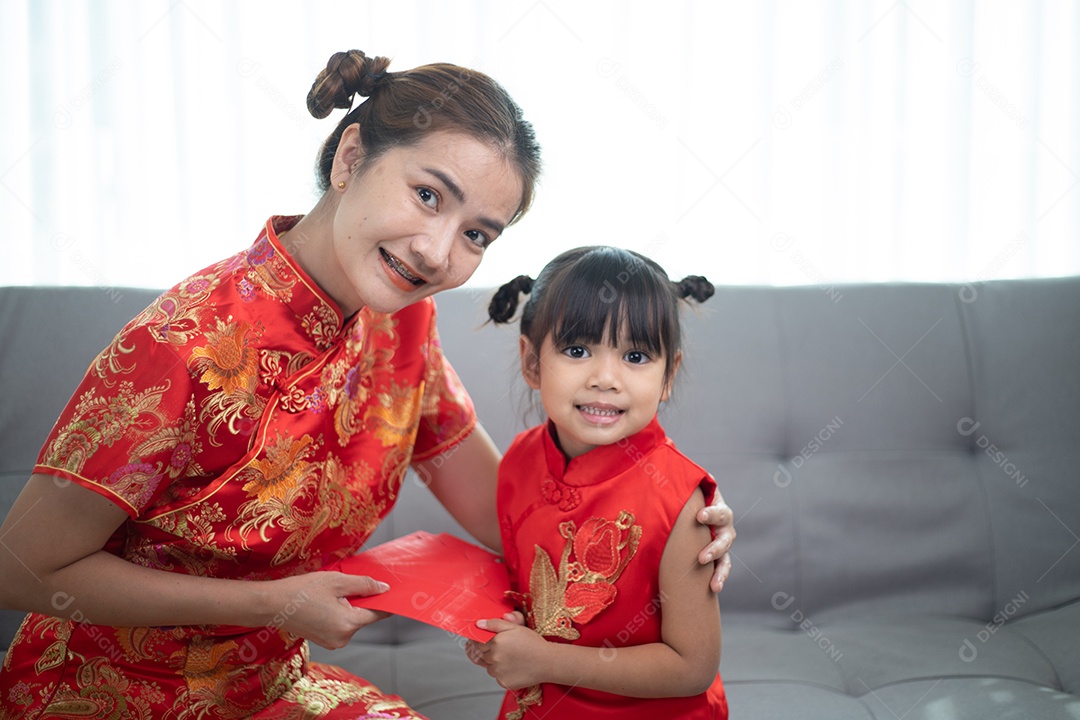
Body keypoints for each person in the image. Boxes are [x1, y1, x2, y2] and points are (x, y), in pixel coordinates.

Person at [0, 51, 735, 719]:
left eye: (478, 234)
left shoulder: (401, 324)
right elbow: (20, 567)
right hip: (107, 694)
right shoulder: (183, 344)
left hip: (273, 690)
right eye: (428, 195)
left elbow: (511, 512)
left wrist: (672, 522)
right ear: (352, 156)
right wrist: (276, 606)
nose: (438, 252)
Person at [466, 246, 728, 719]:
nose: (605, 378)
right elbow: (522, 586)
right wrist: (500, 632)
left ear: (668, 375)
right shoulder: (521, 460)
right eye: (577, 350)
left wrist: (544, 659)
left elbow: (693, 667)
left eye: (635, 355)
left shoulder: (681, 503)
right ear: (531, 361)